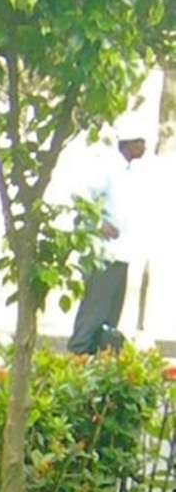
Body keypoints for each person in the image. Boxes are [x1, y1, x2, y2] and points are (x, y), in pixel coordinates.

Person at [67, 131, 151, 357]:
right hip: (102, 254)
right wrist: (97, 224)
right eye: (140, 142)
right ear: (128, 144)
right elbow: (80, 197)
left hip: (121, 254)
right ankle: (78, 354)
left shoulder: (129, 172)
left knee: (110, 317)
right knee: (94, 311)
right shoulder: (107, 166)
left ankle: (98, 361)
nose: (144, 147)